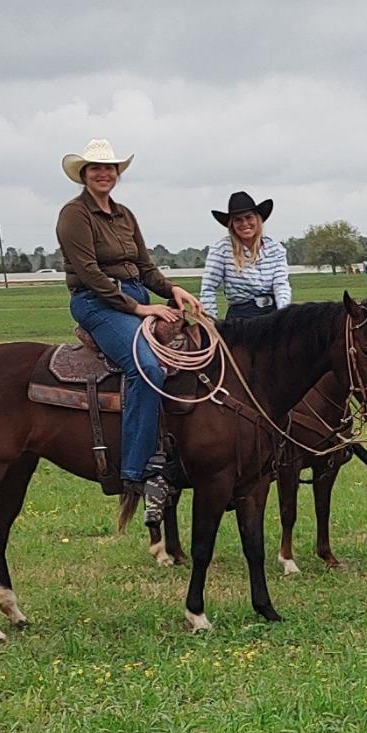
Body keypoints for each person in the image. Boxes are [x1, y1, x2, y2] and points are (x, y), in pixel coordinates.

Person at [55, 139, 201, 509]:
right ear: (84, 175)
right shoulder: (75, 215)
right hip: (97, 303)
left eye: (109, 168)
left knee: (193, 351)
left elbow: (145, 267)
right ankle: (136, 471)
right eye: (95, 169)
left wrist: (173, 289)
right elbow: (89, 274)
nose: (104, 174)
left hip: (135, 295)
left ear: (117, 174)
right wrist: (139, 310)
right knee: (147, 368)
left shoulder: (125, 215)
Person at [199, 191, 293, 319]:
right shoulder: (221, 250)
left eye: (249, 217)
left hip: (273, 313)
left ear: (257, 219)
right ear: (232, 225)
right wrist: (210, 322)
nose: (244, 224)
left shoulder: (276, 249)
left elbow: (281, 285)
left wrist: (283, 314)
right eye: (238, 220)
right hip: (241, 317)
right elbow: (208, 289)